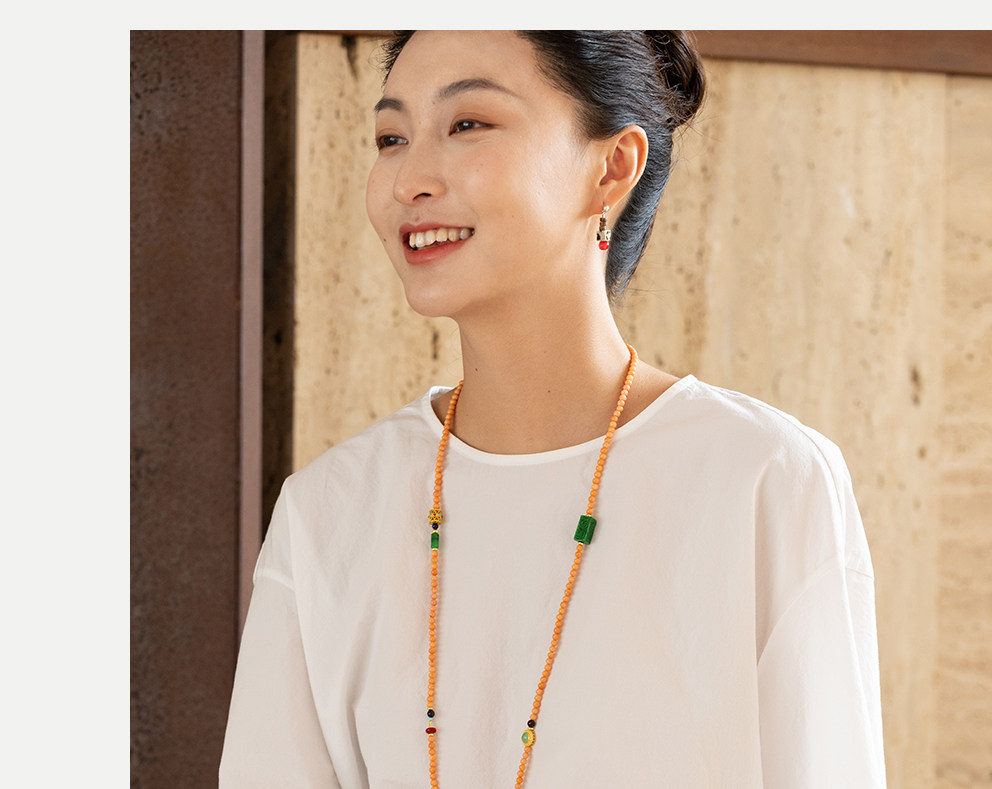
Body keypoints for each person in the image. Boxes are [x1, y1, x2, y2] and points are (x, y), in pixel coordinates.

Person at [220, 30, 886, 788]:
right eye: (391, 137)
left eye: (467, 123)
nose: (408, 180)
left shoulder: (765, 481)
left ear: (612, 168)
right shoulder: (329, 513)